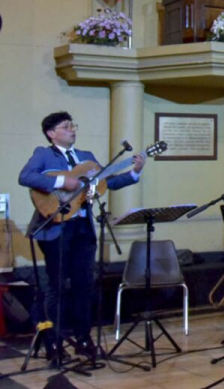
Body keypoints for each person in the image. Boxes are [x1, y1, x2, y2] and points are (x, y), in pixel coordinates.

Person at [19, 111, 145, 362]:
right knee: (55, 286)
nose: (72, 130)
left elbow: (106, 183)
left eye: (73, 125)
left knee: (84, 286)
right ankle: (52, 342)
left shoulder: (87, 158)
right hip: (56, 228)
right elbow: (26, 177)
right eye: (66, 127)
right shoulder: (43, 154)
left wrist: (134, 173)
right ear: (51, 133)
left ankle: (83, 339)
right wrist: (61, 183)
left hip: (83, 229)